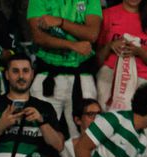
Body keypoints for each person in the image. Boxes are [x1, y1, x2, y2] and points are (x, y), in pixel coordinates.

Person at [27, 0, 102, 137]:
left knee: (86, 135)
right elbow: (39, 37)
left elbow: (92, 34)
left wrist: (60, 22)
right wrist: (72, 45)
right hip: (47, 75)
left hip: (82, 76)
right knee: (40, 133)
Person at [95, 0, 147, 110]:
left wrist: (140, 52)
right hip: (110, 76)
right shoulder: (107, 14)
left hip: (142, 80)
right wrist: (110, 46)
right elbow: (96, 59)